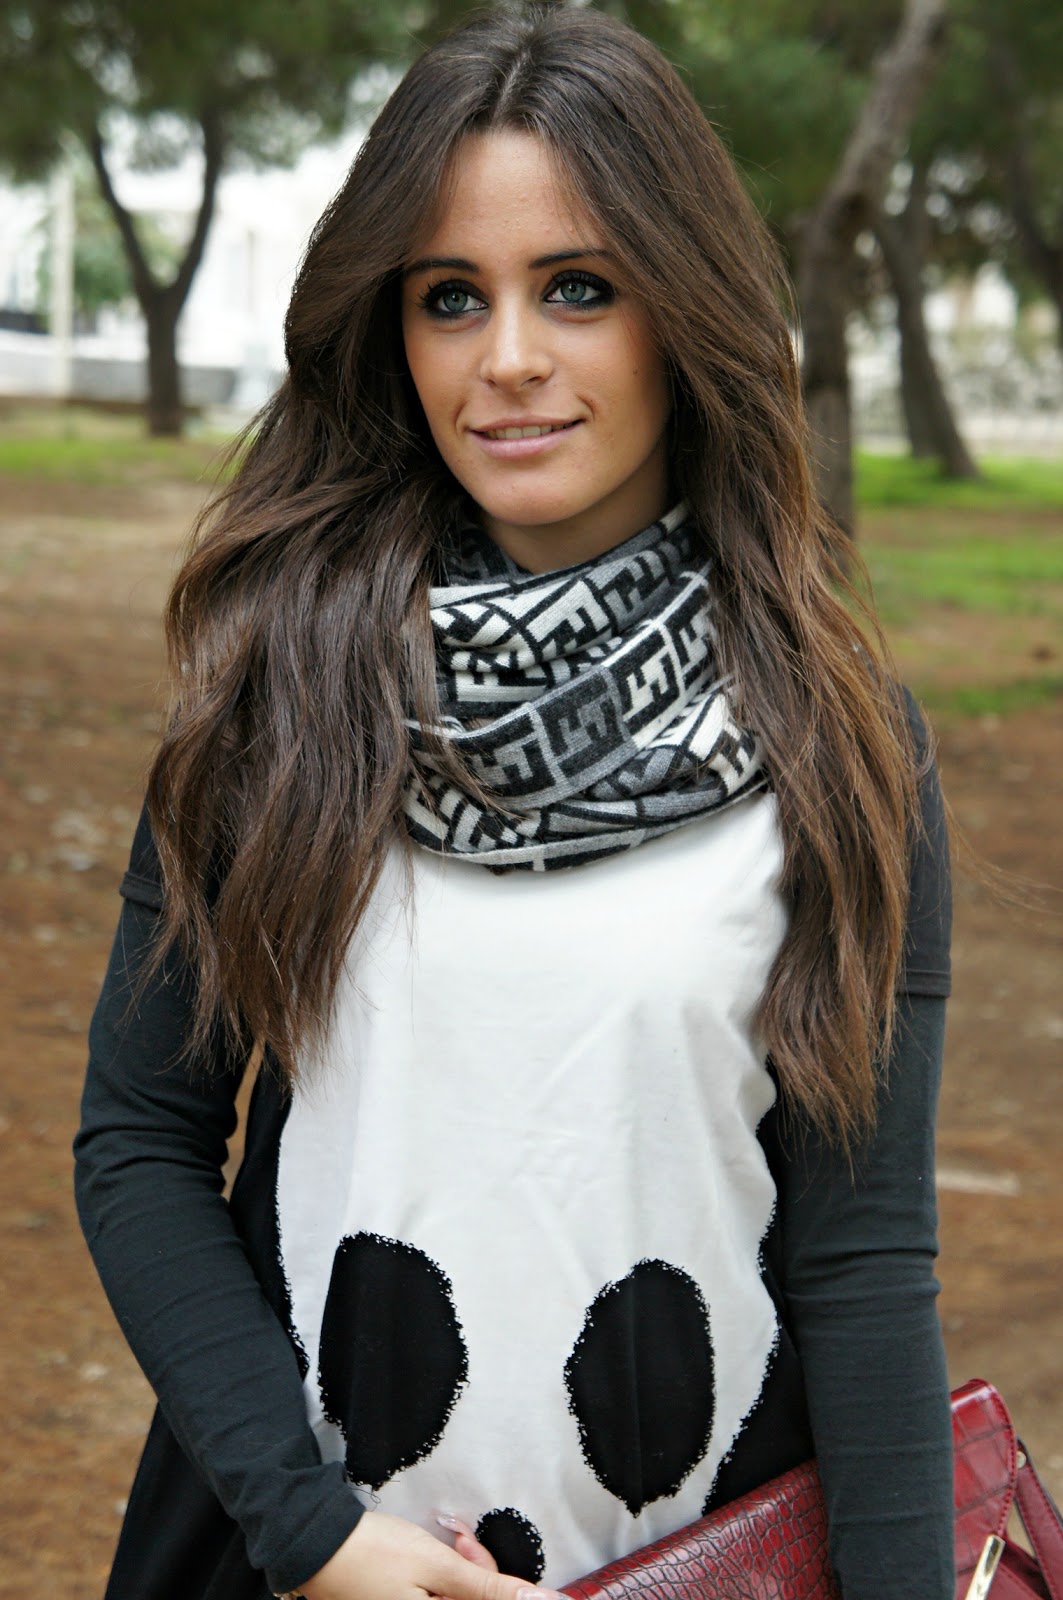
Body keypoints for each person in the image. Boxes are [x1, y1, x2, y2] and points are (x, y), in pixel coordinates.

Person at [74, 8, 955, 1600]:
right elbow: (142, 1142)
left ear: (683, 310)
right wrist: (313, 1532)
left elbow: (863, 1259)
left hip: (692, 1566)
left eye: (579, 287)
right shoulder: (284, 703)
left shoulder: (837, 748)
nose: (509, 360)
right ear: (392, 335)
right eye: (450, 298)